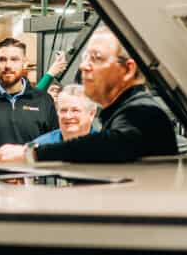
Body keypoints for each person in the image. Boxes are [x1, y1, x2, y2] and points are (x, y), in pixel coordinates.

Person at [23, 27, 177, 164]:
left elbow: (112, 145)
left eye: (96, 58)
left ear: (128, 69)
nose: (83, 66)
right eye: (85, 58)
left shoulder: (143, 112)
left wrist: (34, 154)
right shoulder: (119, 112)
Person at [0, 84, 96, 163]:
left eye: (75, 110)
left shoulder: (104, 147)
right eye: (63, 110)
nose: (68, 116)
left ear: (91, 114)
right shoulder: (37, 146)